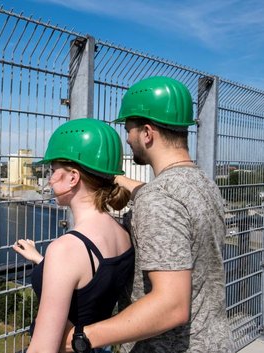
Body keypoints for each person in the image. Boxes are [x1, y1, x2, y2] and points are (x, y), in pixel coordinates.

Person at [61, 76, 235, 352]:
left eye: (129, 130)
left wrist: (82, 337)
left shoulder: (159, 200)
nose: (127, 138)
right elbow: (161, 199)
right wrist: (112, 180)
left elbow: (171, 306)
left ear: (147, 133)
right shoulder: (203, 184)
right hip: (213, 340)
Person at [12, 118, 135, 353]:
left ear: (73, 177)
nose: (48, 179)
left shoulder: (67, 249)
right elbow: (89, 283)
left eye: (53, 170)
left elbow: (43, 349)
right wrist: (41, 261)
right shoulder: (122, 233)